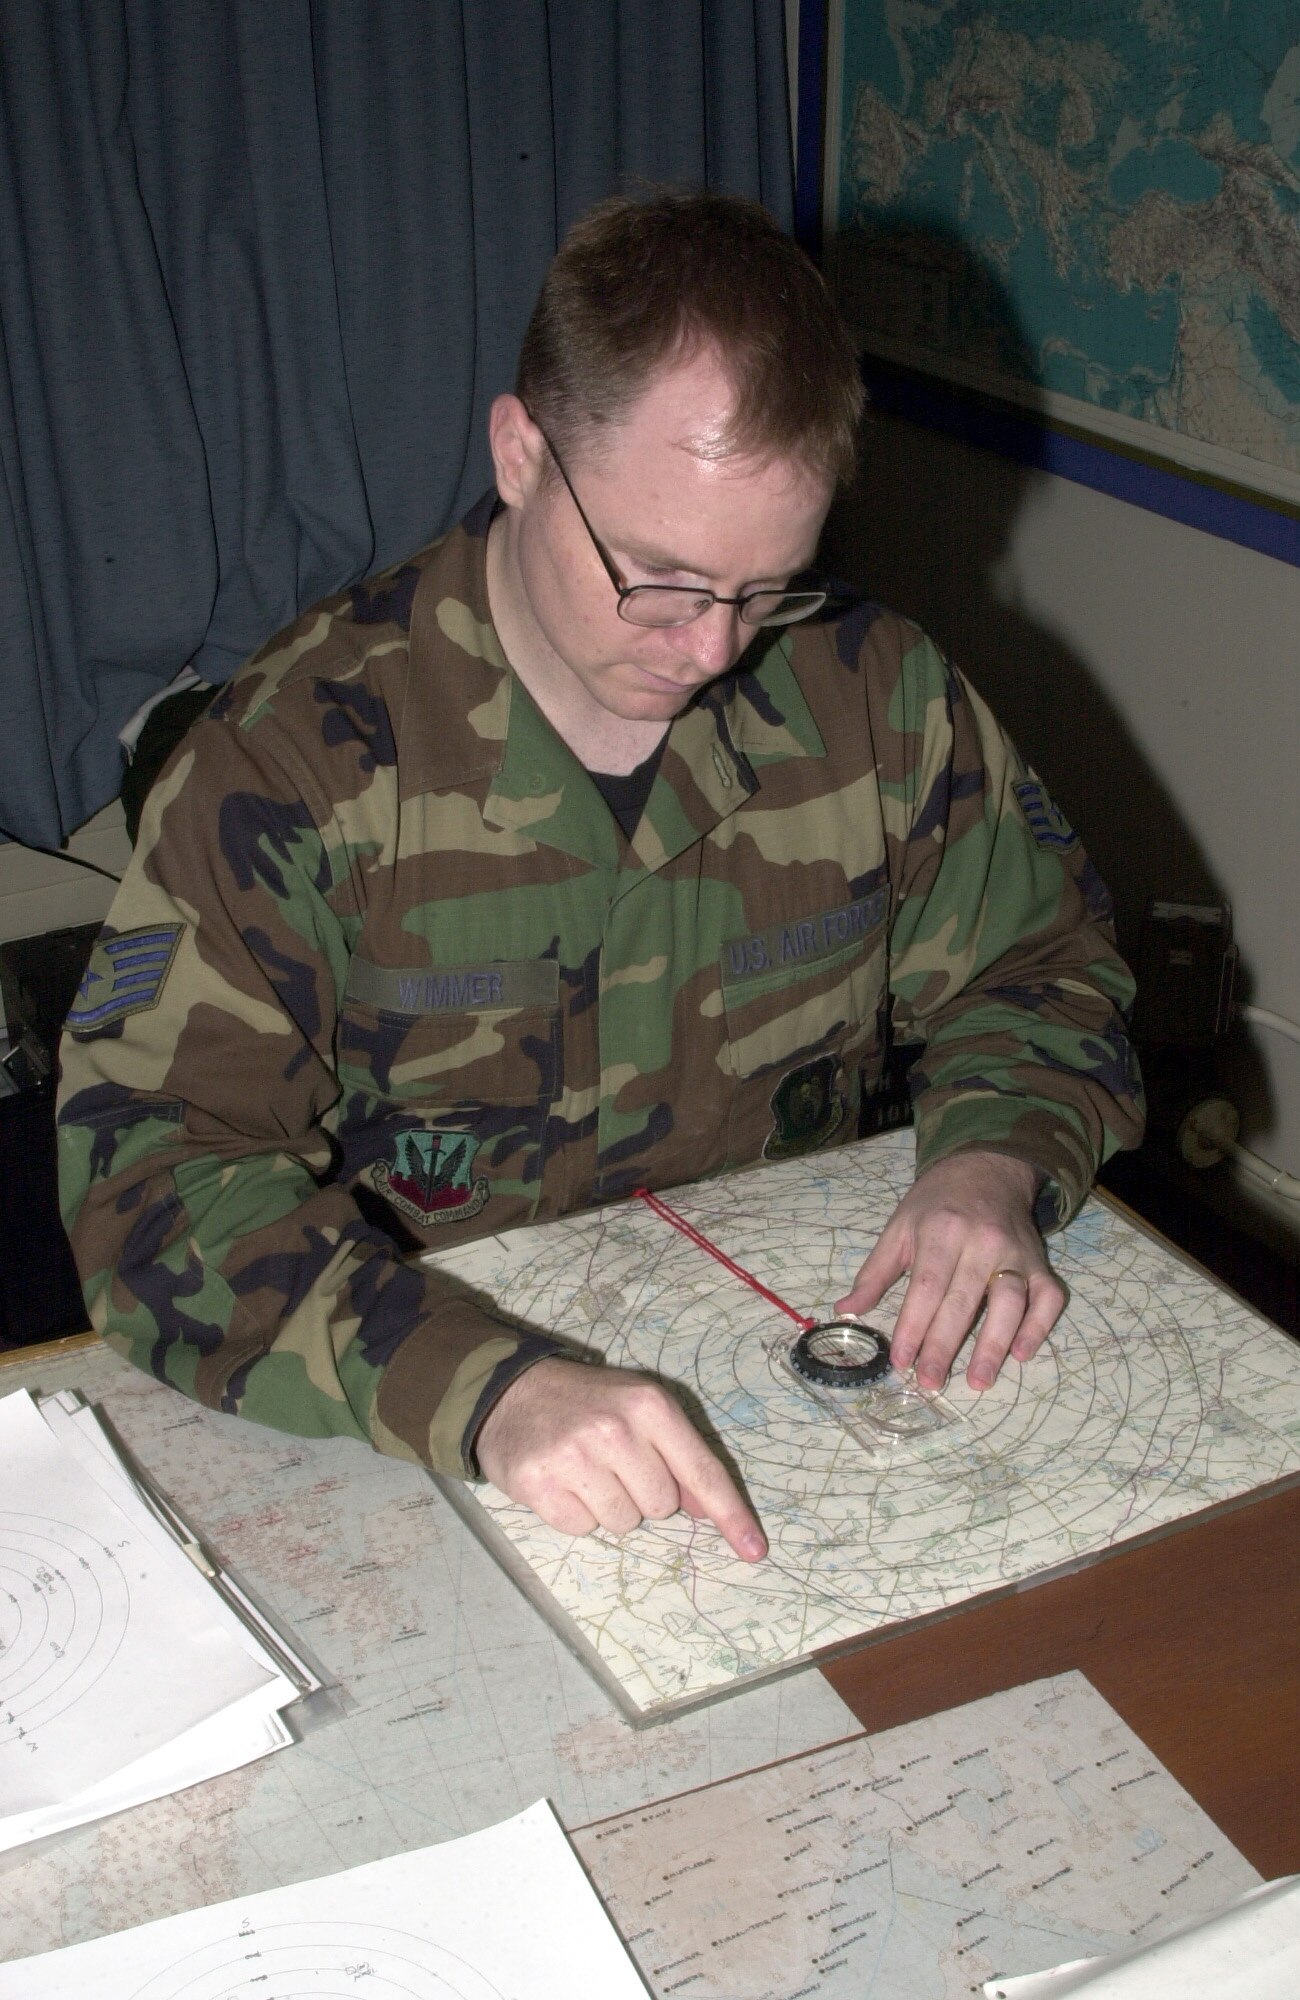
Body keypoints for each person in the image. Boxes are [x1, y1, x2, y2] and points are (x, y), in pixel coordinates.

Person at [57, 192, 1143, 1564]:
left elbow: (1043, 972)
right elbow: (150, 1179)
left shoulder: (878, 698)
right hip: (424, 1431)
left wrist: (994, 1157)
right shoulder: (298, 762)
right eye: (663, 578)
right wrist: (482, 1388)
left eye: (768, 589)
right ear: (522, 451)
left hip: (787, 1403)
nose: (710, 651)